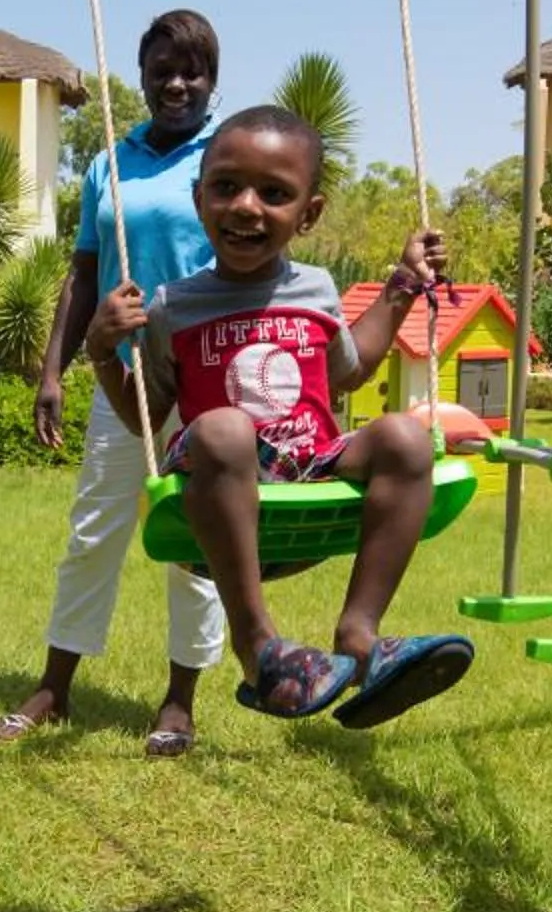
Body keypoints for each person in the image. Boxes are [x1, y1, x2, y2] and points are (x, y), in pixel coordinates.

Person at [85, 105, 472, 749]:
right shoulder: (171, 307)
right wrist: (103, 353)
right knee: (225, 429)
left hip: (310, 472)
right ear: (198, 197)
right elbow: (145, 422)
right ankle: (257, 645)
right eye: (226, 186)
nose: (246, 207)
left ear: (309, 213)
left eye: (274, 194)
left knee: (406, 435)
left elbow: (350, 371)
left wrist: (404, 283)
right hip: (223, 493)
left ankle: (361, 638)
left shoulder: (318, 289)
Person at [0, 9, 229, 755]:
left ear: (212, 82)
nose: (177, 83)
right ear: (142, 77)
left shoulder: (221, 159)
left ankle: (179, 701)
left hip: (204, 383)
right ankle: (55, 687)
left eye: (192, 70)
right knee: (95, 532)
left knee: (196, 541)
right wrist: (51, 371)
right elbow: (84, 272)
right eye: (163, 69)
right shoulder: (110, 162)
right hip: (123, 378)